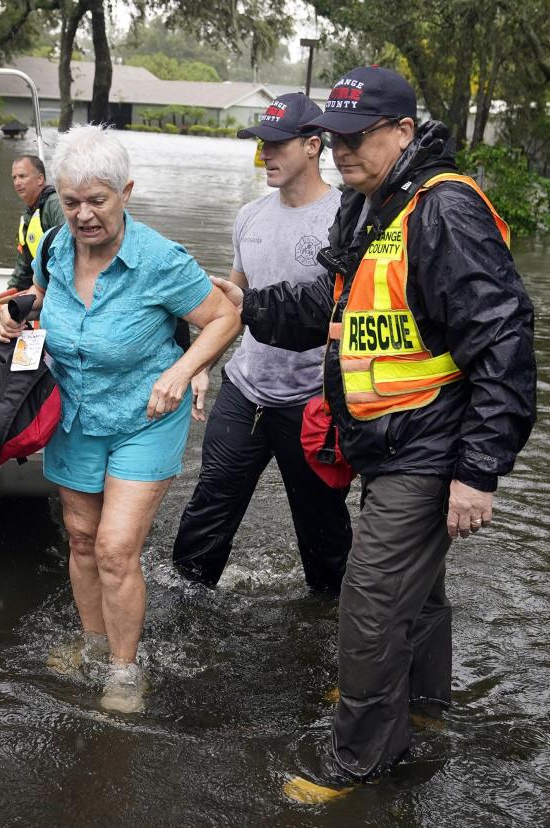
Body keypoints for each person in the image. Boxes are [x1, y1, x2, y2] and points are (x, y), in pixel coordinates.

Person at [212, 67, 536, 801]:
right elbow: (329, 310)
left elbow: (504, 339)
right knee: (413, 598)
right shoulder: (364, 208)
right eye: (333, 138)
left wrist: (478, 471)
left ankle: (359, 760)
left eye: (358, 138)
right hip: (383, 440)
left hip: (429, 443)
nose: (342, 151)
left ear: (401, 131)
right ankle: (421, 710)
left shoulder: (443, 210)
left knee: (367, 602)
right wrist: (245, 304)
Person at [0, 125, 240, 713]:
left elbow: (225, 318)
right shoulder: (55, 244)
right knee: (81, 540)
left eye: (97, 201)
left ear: (126, 192)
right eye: (72, 201)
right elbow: (39, 292)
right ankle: (92, 641)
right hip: (76, 412)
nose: (83, 215)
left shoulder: (160, 260)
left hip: (144, 417)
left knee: (113, 548)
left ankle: (125, 671)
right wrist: (17, 319)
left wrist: (181, 372)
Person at [172, 93, 352, 593]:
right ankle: (183, 613)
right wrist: (205, 363)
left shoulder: (344, 217)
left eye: (276, 144)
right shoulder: (249, 216)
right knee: (205, 518)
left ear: (313, 145)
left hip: (312, 402)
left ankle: (328, 625)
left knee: (323, 541)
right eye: (260, 144)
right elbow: (232, 306)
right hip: (245, 389)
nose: (264, 154)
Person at [7, 154, 63, 291]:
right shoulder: (29, 214)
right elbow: (24, 265)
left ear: (40, 179)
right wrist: (12, 289)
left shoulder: (55, 204)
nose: (17, 182)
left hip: (58, 284)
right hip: (43, 283)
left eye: (22, 176)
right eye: (14, 178)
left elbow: (70, 248)